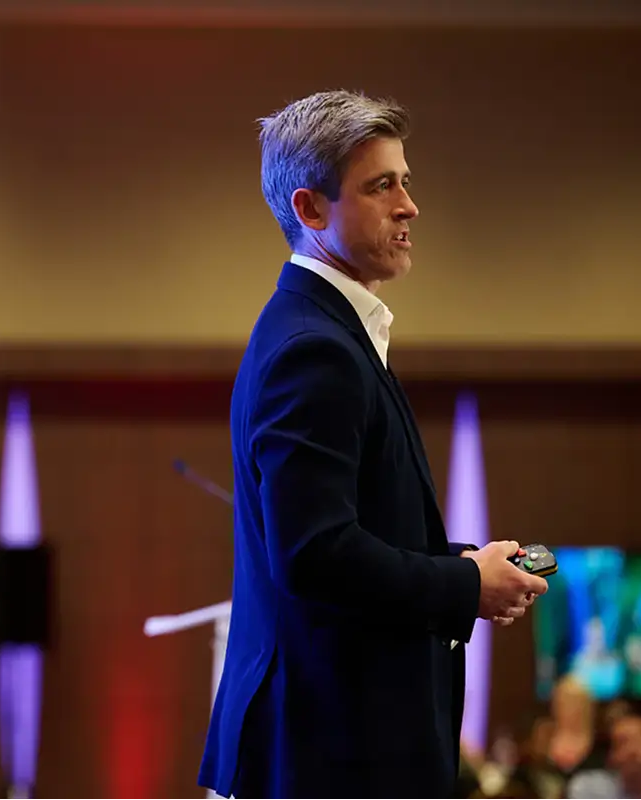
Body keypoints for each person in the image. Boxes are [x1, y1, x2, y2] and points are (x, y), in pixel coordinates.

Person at [196, 89, 550, 800]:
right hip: (332, 753)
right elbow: (315, 554)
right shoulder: (313, 349)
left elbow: (348, 530)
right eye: (381, 185)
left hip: (338, 741)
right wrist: (463, 586)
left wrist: (463, 565)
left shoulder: (329, 331)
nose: (409, 205)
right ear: (311, 210)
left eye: (406, 181)